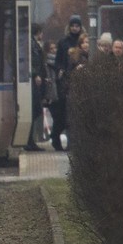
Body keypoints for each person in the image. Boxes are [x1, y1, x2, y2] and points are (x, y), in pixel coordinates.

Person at [51, 15, 84, 151]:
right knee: (63, 114)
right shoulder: (64, 42)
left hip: (80, 80)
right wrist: (60, 70)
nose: (75, 28)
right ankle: (56, 139)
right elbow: (58, 60)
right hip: (66, 81)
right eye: (73, 26)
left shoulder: (82, 41)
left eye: (77, 26)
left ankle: (73, 142)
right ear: (69, 27)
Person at [25, 23, 49, 151]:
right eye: (41, 32)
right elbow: (31, 61)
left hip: (36, 81)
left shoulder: (33, 44)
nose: (42, 35)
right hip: (33, 82)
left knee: (36, 110)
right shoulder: (32, 44)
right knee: (35, 110)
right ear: (38, 32)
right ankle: (28, 141)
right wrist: (35, 75)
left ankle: (29, 140)